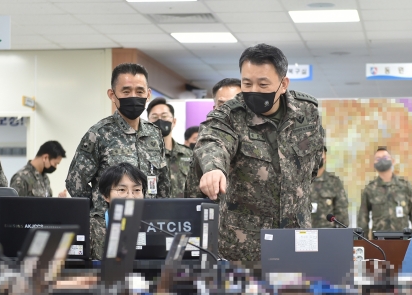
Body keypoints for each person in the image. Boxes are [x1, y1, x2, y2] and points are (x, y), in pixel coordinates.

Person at [194, 43, 324, 262]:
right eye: (247, 83)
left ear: (283, 84)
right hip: (245, 246)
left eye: (263, 84)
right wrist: (214, 169)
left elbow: (313, 164)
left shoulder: (307, 112)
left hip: (297, 237)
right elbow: (212, 141)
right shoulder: (230, 115)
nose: (253, 90)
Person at [66, 63, 170, 229]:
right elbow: (75, 183)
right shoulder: (98, 134)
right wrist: (99, 211)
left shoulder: (154, 134)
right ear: (112, 95)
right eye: (126, 91)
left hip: (147, 224)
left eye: (140, 91)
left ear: (148, 94)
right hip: (109, 227)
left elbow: (163, 183)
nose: (134, 97)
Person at [358, 147, 412, 238]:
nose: (381, 161)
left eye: (385, 157)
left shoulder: (405, 186)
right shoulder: (369, 189)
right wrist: (365, 243)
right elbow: (363, 219)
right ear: (374, 164)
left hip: (403, 241)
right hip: (379, 242)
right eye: (378, 159)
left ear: (392, 161)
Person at [90, 162, 147, 260]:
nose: (130, 197)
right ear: (106, 196)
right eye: (121, 190)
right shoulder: (92, 226)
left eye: (137, 190)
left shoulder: (152, 225)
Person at [147, 97, 192, 198]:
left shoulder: (188, 154)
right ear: (147, 123)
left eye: (164, 116)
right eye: (154, 117)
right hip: (153, 211)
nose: (159, 120)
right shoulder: (143, 154)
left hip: (183, 211)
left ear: (174, 121)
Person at [311, 146, 349, 228]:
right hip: (303, 236)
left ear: (325, 158)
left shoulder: (334, 182)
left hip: (328, 235)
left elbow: (342, 214)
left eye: (320, 153)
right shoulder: (301, 183)